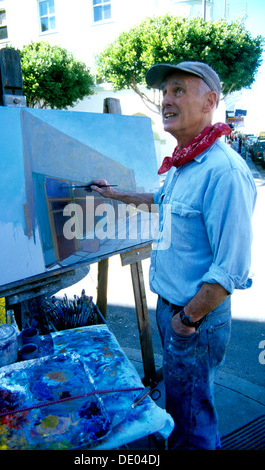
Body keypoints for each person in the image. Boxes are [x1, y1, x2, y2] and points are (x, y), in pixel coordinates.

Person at [91, 61, 257, 450]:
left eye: (179, 90)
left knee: (193, 419)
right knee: (182, 407)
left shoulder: (223, 172)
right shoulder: (185, 165)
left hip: (194, 320)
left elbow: (230, 271)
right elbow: (160, 201)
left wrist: (186, 321)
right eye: (165, 92)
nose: (166, 99)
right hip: (174, 311)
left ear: (210, 101)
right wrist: (115, 194)